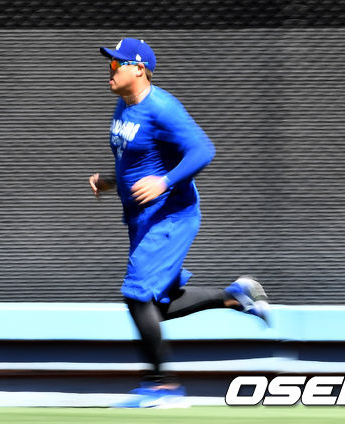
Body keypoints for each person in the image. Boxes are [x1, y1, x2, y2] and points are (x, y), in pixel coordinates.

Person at [89, 38, 269, 407]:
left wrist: (165, 182)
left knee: (136, 295)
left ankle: (163, 387)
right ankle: (234, 296)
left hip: (171, 215)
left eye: (116, 64)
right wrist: (110, 181)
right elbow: (140, 161)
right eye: (109, 63)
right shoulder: (124, 107)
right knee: (154, 306)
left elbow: (203, 149)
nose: (110, 69)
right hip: (142, 218)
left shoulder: (162, 108)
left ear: (139, 69)